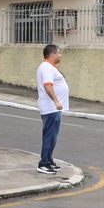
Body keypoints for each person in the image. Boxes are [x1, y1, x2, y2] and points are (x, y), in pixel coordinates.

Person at [36, 43, 68, 175]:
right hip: (51, 108)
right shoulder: (47, 67)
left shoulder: (49, 67)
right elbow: (48, 86)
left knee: (52, 136)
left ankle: (49, 161)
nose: (60, 55)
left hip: (53, 109)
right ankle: (43, 163)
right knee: (49, 136)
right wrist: (56, 101)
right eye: (59, 53)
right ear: (52, 54)